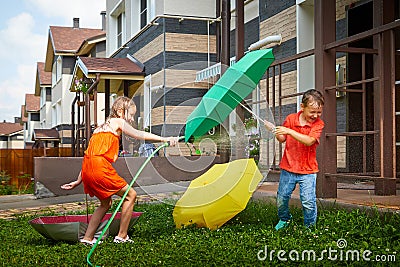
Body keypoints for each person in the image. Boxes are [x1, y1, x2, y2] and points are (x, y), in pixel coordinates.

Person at [61, 96, 179, 245]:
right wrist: (165, 139)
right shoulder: (117, 121)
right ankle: (122, 236)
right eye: (130, 114)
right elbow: (139, 135)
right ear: (119, 111)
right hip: (99, 167)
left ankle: (87, 238)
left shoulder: (99, 128)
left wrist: (79, 179)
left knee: (105, 203)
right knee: (131, 195)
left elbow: (90, 155)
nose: (131, 119)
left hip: (88, 167)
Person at [265, 89, 325, 230]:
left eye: (319, 112)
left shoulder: (318, 124)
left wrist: (290, 131)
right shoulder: (291, 119)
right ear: (302, 107)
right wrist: (274, 130)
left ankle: (309, 227)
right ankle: (285, 219)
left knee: (308, 201)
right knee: (282, 198)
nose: (315, 115)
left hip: (308, 171)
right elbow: (282, 138)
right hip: (288, 168)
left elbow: (310, 141)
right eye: (312, 112)